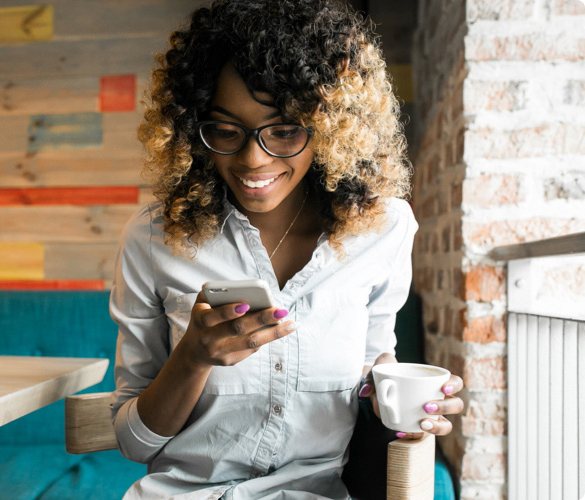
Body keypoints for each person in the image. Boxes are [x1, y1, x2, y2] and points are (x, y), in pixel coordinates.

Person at [109, 0, 464, 498]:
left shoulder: (383, 229)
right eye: (225, 131)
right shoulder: (153, 240)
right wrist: (192, 358)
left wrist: (398, 404)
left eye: (284, 131)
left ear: (332, 128)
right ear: (193, 128)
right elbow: (132, 441)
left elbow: (372, 368)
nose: (253, 159)